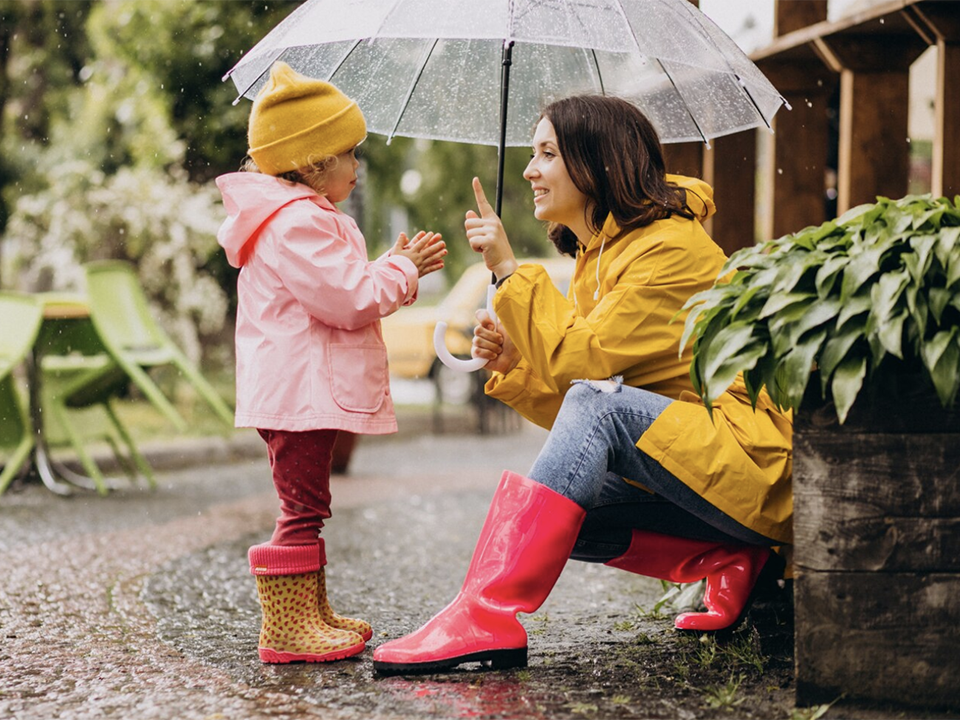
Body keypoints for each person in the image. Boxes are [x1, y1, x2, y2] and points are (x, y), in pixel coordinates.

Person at [372, 95, 792, 675]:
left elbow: (585, 369)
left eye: (547, 153)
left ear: (596, 164)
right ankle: (729, 554)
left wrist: (509, 273)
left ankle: (486, 613)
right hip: (704, 466)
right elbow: (585, 407)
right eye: (531, 153)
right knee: (568, 510)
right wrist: (516, 369)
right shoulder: (605, 255)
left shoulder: (668, 249)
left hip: (750, 460)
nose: (528, 170)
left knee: (589, 428)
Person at [216, 62, 446, 665]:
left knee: (309, 506)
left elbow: (341, 286)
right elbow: (348, 299)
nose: (357, 164)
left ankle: (309, 612)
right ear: (314, 162)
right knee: (302, 509)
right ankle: (285, 630)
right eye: (349, 153)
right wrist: (406, 270)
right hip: (299, 392)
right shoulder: (295, 223)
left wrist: (389, 263)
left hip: (302, 388)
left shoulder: (300, 218)